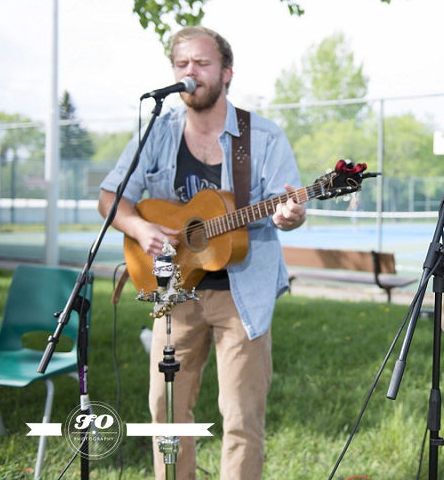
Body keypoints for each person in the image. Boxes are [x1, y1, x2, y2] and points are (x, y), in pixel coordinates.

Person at [98, 26, 306, 480]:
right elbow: (112, 196)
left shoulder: (263, 136)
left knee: (241, 418)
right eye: (181, 64)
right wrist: (139, 227)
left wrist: (290, 214)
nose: (190, 71)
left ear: (226, 72)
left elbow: (286, 206)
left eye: (202, 63)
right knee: (166, 412)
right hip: (175, 290)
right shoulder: (158, 131)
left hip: (242, 294)